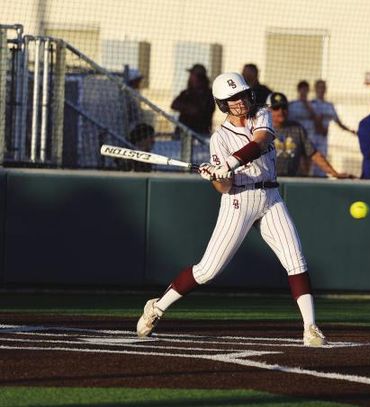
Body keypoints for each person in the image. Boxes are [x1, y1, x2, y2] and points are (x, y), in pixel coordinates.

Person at [136, 72, 327, 347]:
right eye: (233, 98)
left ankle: (310, 327)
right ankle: (156, 307)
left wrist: (230, 163)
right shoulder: (220, 138)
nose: (241, 101)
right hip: (239, 200)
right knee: (207, 271)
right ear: (223, 104)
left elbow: (260, 142)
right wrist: (217, 175)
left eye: (242, 94)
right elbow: (224, 188)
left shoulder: (262, 113)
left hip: (271, 195)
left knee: (295, 259)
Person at [268, 92, 354, 178]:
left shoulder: (297, 129)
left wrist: (334, 173)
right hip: (268, 183)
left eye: (284, 107)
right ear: (268, 110)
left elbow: (314, 154)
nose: (281, 111)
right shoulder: (263, 130)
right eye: (276, 108)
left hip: (291, 182)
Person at [309, 79, 357, 177]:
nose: (321, 90)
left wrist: (351, 131)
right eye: (319, 87)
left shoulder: (329, 106)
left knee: (322, 165)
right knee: (311, 166)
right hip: (311, 140)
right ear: (315, 89)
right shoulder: (310, 104)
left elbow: (338, 122)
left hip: (323, 142)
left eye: (323, 87)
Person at [171, 64, 215, 163]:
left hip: (200, 135)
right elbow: (174, 104)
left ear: (199, 77)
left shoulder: (208, 94)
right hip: (182, 134)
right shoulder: (187, 92)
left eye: (193, 75)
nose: (190, 77)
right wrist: (187, 107)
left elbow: (200, 112)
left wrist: (191, 109)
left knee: (197, 162)